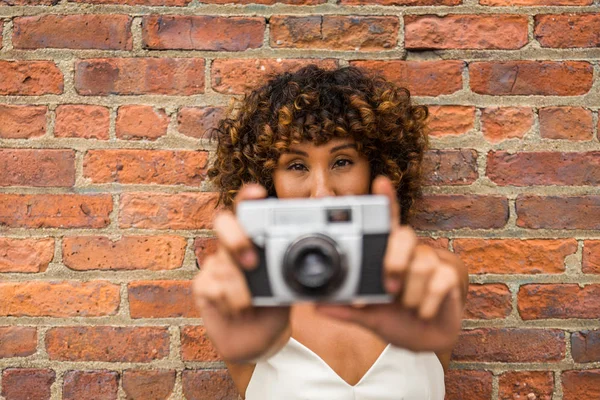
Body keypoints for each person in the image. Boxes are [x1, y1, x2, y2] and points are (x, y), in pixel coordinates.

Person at [192, 65, 469, 399]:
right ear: (269, 180)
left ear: (377, 168)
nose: (322, 192)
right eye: (297, 166)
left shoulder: (438, 277)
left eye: (342, 162)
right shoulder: (246, 299)